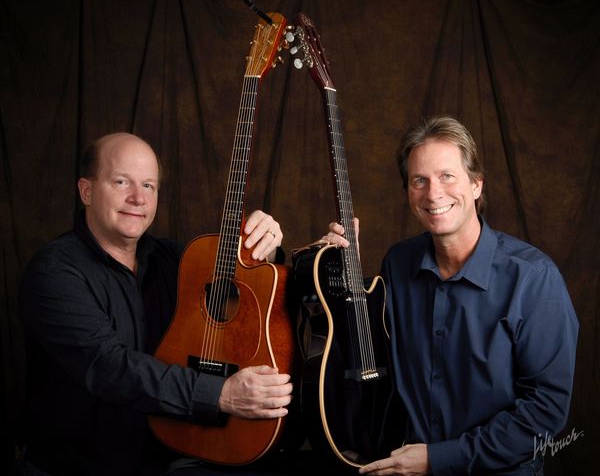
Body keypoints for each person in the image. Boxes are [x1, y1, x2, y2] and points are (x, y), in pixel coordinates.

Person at [16, 133, 293, 476]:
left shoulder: (172, 260)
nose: (138, 198)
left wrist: (263, 251)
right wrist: (219, 394)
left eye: (148, 185)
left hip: (164, 463)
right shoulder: (54, 271)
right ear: (86, 191)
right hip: (74, 468)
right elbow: (108, 366)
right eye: (121, 182)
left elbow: (235, 291)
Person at [322, 116, 578, 475]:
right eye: (419, 181)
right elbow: (369, 361)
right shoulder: (398, 263)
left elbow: (546, 411)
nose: (433, 194)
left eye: (447, 176)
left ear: (476, 184)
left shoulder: (534, 279)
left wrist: (437, 459)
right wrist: (336, 270)